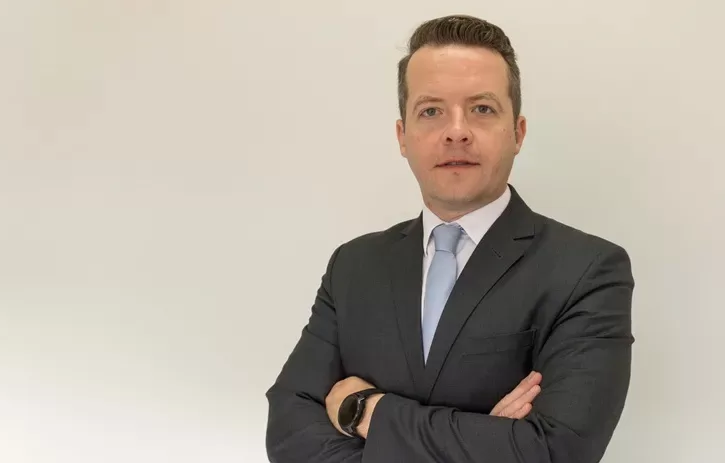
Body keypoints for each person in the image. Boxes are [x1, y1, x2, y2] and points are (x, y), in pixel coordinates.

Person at [265, 14, 635, 463]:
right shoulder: (352, 266)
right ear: (403, 136)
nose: (456, 131)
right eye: (431, 111)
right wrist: (489, 440)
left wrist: (365, 411)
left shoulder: (587, 271)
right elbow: (288, 430)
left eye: (482, 109)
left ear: (517, 133)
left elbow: (556, 451)